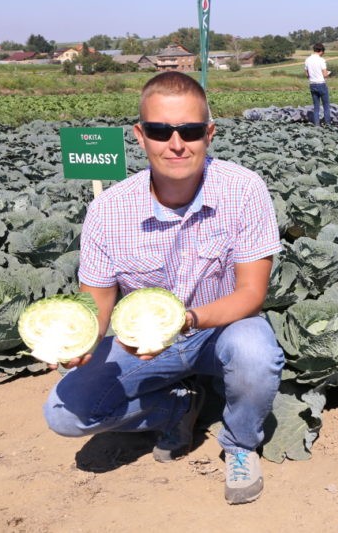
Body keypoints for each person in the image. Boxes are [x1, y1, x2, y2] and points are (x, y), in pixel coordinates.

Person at [43, 71, 285, 506]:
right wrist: (79, 339)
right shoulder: (108, 210)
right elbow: (96, 301)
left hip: (218, 330)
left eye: (190, 130)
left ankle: (240, 444)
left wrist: (187, 320)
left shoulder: (243, 189)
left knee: (257, 353)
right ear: (140, 135)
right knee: (62, 413)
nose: (176, 143)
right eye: (160, 130)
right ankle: (175, 408)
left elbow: (251, 293)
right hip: (142, 344)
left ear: (209, 133)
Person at [304, 42, 331, 126]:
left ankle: (317, 125)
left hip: (312, 84)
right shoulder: (321, 60)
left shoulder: (307, 60)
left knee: (316, 107)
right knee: (326, 106)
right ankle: (328, 125)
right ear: (321, 51)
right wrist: (329, 73)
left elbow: (307, 74)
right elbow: (325, 74)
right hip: (321, 84)